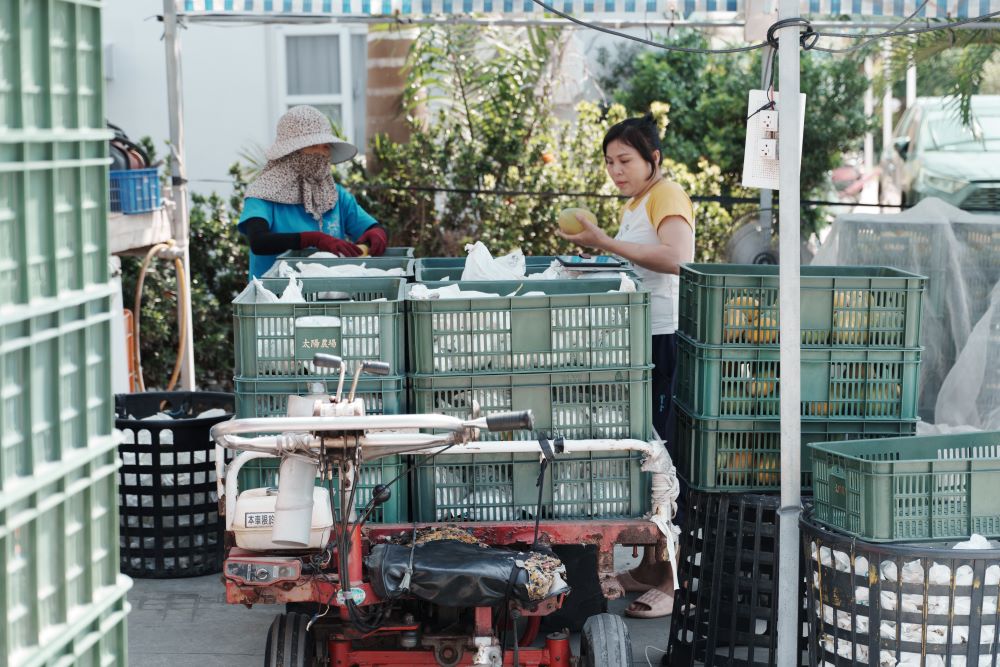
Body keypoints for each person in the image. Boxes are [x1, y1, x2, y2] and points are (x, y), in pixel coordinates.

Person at [557, 113, 695, 619]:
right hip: (642, 337)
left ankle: (670, 580)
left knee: (661, 454)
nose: (616, 171)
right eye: (610, 162)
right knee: (646, 448)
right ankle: (650, 567)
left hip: (665, 336)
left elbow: (679, 257)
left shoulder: (667, 194)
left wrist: (605, 245)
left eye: (626, 160)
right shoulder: (639, 201)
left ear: (653, 159)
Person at [238, 105, 388, 278]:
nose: (322, 153)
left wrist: (378, 233)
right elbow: (259, 242)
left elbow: (370, 227)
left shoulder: (334, 194)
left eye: (325, 146)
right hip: (273, 296)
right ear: (291, 152)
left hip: (328, 295)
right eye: (313, 145)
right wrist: (313, 239)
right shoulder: (262, 194)